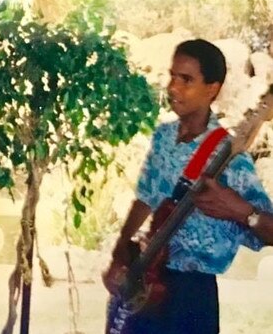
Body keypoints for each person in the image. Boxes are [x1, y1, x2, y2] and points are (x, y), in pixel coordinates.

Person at [102, 39, 273, 334]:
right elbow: (145, 198)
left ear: (212, 89)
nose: (173, 87)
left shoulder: (231, 158)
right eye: (172, 76)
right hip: (146, 278)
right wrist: (120, 255)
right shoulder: (164, 136)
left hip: (192, 297)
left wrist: (241, 210)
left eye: (186, 80)